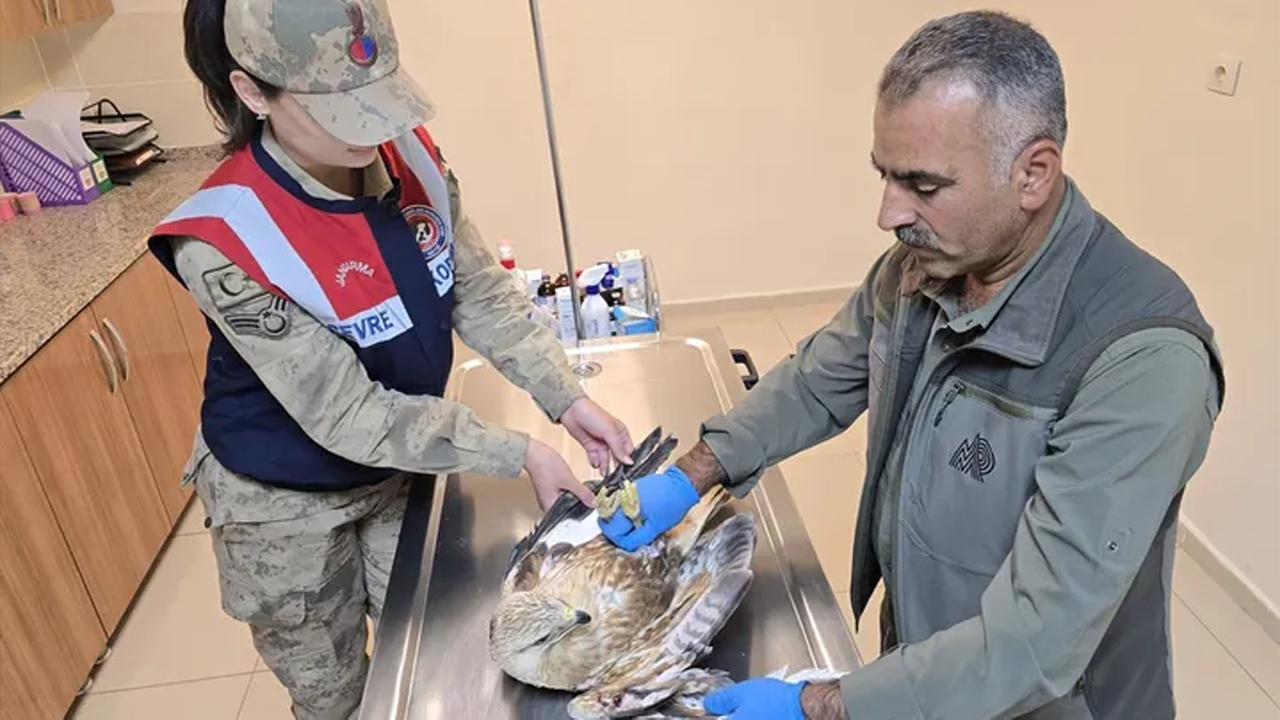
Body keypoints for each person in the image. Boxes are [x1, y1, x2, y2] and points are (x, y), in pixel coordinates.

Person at [599, 10, 1225, 720]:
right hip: (930, 676)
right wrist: (689, 477)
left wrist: (818, 704)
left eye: (923, 186)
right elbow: (814, 385)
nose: (888, 213)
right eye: (885, 176)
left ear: (1033, 174)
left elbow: (1034, 644)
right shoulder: (921, 271)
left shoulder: (1140, 356)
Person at [151, 0, 634, 717]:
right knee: (338, 694)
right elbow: (346, 413)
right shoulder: (225, 238)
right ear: (253, 92)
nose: (369, 126)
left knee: (443, 650)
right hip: (286, 505)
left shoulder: (408, 157)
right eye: (333, 107)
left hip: (403, 465)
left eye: (373, 96)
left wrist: (566, 396)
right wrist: (515, 450)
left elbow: (474, 288)